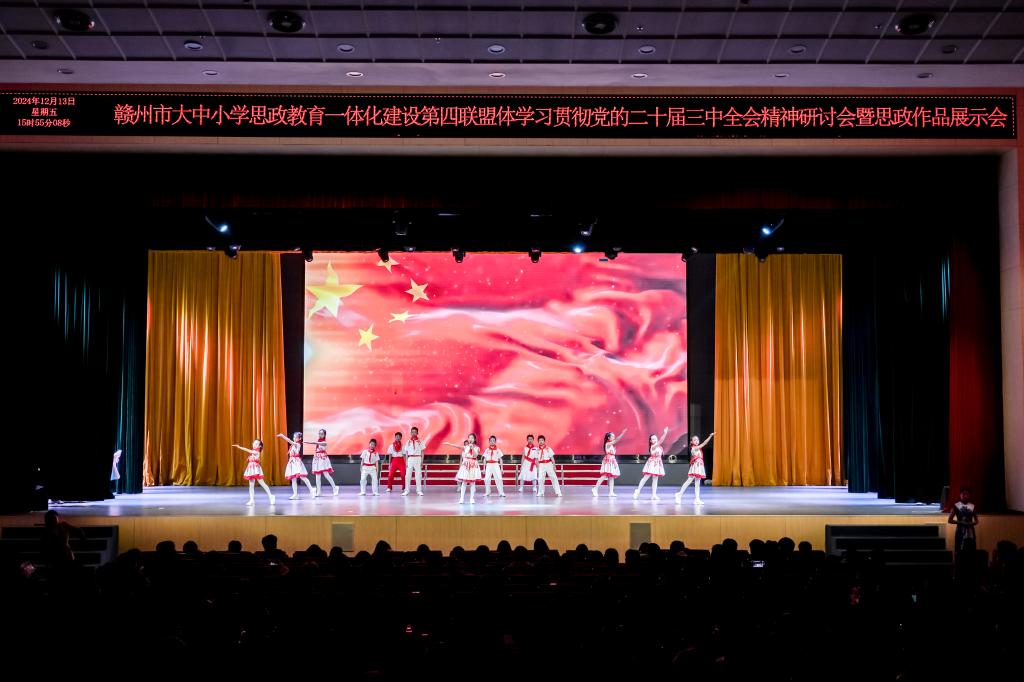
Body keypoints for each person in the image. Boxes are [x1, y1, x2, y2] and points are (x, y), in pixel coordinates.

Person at [232, 439, 276, 506]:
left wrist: (239, 447)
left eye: (256, 444)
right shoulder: (253, 452)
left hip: (255, 469)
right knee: (251, 485)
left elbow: (247, 450)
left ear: (259, 446)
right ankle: (251, 500)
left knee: (262, 483)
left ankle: (271, 496)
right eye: (254, 443)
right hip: (251, 469)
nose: (254, 445)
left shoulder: (257, 452)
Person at [675, 433, 715, 505]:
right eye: (694, 440)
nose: (696, 441)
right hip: (695, 466)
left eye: (697, 440)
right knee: (689, 481)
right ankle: (679, 494)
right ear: (691, 442)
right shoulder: (694, 448)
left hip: (699, 466)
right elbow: (704, 443)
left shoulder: (698, 448)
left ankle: (697, 499)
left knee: (697, 483)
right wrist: (710, 436)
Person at [277, 432, 317, 499]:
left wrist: (283, 436)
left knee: (302, 476)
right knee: (293, 479)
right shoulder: (293, 445)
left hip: (296, 462)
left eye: (296, 437)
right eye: (294, 437)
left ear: (299, 438)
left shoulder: (297, 444)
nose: (294, 438)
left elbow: (290, 441)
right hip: (292, 462)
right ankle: (295, 494)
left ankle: (311, 489)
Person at [634, 427, 669, 500]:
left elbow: (660, 444)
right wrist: (665, 433)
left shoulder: (659, 447)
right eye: (652, 439)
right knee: (646, 477)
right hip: (652, 463)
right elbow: (661, 441)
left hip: (657, 463)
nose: (654, 440)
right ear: (650, 441)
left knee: (655, 479)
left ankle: (654, 495)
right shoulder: (653, 446)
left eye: (655, 438)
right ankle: (638, 491)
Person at [447, 434, 482, 504]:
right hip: (466, 465)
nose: (470, 439)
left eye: (472, 438)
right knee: (464, 482)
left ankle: (472, 498)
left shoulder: (477, 448)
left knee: (472, 482)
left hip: (473, 465)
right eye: (469, 438)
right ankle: (461, 498)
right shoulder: (466, 447)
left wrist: (472, 448)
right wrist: (450, 444)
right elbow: (458, 447)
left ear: (474, 439)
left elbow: (475, 455)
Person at [593, 429, 626, 497]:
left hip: (612, 461)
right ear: (609, 437)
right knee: (604, 475)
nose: (614, 437)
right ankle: (595, 488)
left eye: (614, 436)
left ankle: (611, 492)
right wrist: (622, 434)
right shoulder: (608, 444)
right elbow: (616, 440)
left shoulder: (611, 445)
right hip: (608, 461)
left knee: (611, 477)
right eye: (612, 436)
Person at [948, 486, 979, 554]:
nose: (965, 496)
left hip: (970, 530)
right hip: (960, 530)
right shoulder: (956, 505)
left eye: (967, 494)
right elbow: (949, 520)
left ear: (969, 495)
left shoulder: (972, 506)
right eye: (963, 494)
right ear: (960, 495)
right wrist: (961, 522)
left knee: (970, 549)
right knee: (960, 549)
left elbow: (977, 521)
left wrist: (970, 523)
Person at [311, 428, 339, 496]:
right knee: (317, 476)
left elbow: (323, 444)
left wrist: (315, 443)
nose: (320, 435)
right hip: (317, 459)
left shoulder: (324, 442)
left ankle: (335, 488)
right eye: (319, 433)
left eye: (322, 434)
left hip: (323, 459)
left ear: (324, 435)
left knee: (326, 475)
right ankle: (318, 492)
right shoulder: (318, 441)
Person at [401, 426, 426, 496]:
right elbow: (406, 452)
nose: (413, 433)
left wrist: (422, 461)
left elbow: (423, 451)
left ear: (417, 433)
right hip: (410, 458)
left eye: (415, 432)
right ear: (411, 433)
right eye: (412, 432)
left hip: (418, 458)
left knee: (418, 475)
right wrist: (406, 461)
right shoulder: (408, 442)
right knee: (407, 475)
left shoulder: (420, 441)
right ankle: (407, 490)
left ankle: (419, 490)